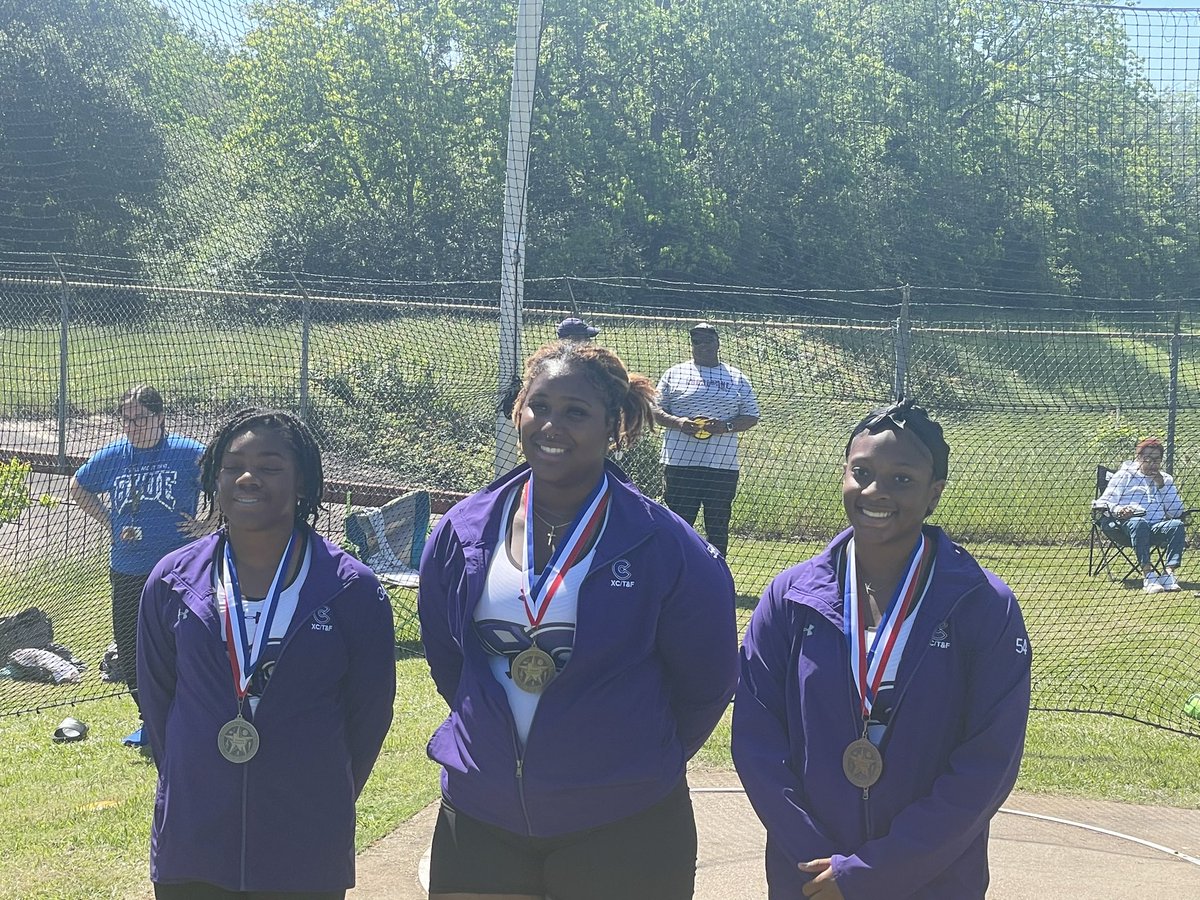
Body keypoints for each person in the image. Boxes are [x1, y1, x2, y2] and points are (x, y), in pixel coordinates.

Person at [419, 339, 738, 900]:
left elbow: (707, 684)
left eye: (575, 412)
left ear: (615, 426)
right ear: (518, 411)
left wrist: (617, 761)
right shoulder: (462, 531)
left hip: (622, 822)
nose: (552, 425)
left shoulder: (667, 546)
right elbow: (451, 662)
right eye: (539, 406)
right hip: (481, 815)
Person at [732, 399, 1030, 900]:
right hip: (809, 880)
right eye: (862, 472)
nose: (876, 491)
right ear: (843, 475)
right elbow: (757, 742)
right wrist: (817, 864)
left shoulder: (984, 604)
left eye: (902, 480)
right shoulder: (789, 597)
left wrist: (875, 872)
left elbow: (988, 763)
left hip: (933, 880)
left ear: (934, 494)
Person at [136, 408, 396, 898]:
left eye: (270, 467)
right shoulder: (172, 580)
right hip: (194, 840)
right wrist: (196, 775)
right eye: (233, 467)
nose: (248, 478)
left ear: (302, 483)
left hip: (303, 840)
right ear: (216, 478)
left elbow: (369, 714)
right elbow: (157, 698)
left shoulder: (349, 589)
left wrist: (319, 787)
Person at [69, 384, 203, 745]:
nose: (131, 426)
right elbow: (78, 487)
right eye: (125, 419)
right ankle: (150, 719)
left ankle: (187, 716)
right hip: (128, 568)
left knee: (182, 644)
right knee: (132, 648)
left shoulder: (188, 453)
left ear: (159, 417)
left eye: (139, 418)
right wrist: (109, 520)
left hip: (181, 570)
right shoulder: (113, 456)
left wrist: (210, 521)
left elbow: (224, 481)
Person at [654, 321, 760, 556]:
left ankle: (717, 575)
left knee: (718, 525)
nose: (702, 345)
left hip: (721, 466)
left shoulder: (736, 377)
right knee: (678, 524)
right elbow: (654, 410)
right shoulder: (674, 373)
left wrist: (725, 426)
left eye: (707, 340)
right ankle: (675, 574)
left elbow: (752, 415)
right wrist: (678, 422)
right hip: (681, 464)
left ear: (718, 343)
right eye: (696, 341)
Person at [1097, 437, 1187, 593]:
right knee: (1139, 523)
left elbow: (1176, 512)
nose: (1152, 463)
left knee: (1177, 525)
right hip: (1125, 526)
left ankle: (1168, 575)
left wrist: (1162, 486)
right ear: (1138, 458)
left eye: (1157, 460)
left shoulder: (1166, 479)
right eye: (1148, 459)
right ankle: (1148, 576)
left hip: (1157, 527)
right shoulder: (1124, 475)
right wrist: (1119, 510)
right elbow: (1103, 502)